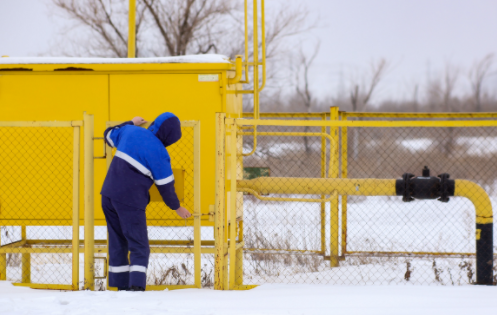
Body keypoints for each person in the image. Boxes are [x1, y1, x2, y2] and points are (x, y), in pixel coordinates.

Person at [101, 112, 192, 291]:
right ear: (170, 137)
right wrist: (177, 207)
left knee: (117, 242)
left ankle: (119, 287)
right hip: (130, 201)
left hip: (108, 195)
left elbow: (108, 135)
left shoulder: (129, 131)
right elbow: (166, 186)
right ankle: (136, 288)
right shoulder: (160, 153)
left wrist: (131, 122)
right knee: (139, 245)